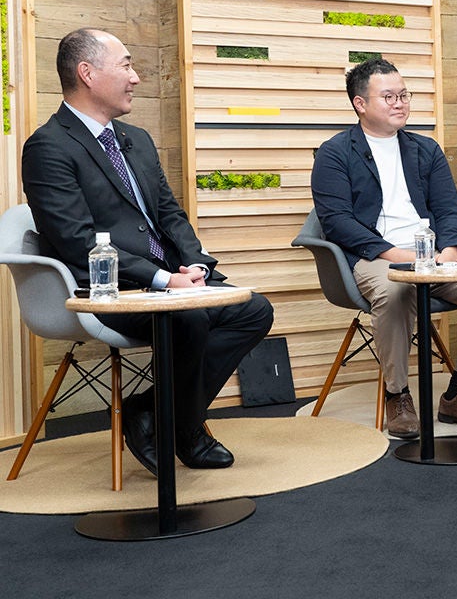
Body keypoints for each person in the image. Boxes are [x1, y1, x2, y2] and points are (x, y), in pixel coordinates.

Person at [22, 28, 273, 476]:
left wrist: (194, 265)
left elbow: (169, 213)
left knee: (253, 310)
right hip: (110, 288)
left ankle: (152, 412)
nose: (135, 77)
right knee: (189, 319)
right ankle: (187, 430)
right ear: (87, 73)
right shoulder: (48, 146)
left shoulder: (135, 138)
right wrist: (163, 279)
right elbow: (77, 240)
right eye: (126, 65)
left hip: (170, 278)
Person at [311, 58, 457, 438]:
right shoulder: (334, 153)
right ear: (360, 103)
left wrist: (449, 251)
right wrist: (399, 256)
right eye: (389, 96)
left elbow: (449, 209)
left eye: (404, 95)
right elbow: (337, 222)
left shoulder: (426, 149)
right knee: (395, 290)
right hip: (377, 257)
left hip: (435, 253)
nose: (400, 103)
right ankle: (397, 396)